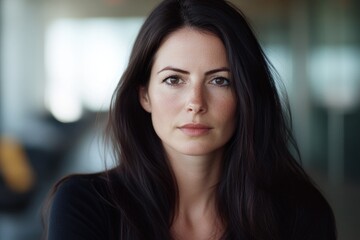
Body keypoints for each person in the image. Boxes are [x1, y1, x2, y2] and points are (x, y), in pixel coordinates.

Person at [43, 0, 337, 239]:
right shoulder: (85, 206)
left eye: (220, 81)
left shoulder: (301, 213)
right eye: (174, 79)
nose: (196, 103)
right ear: (144, 95)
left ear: (246, 95)